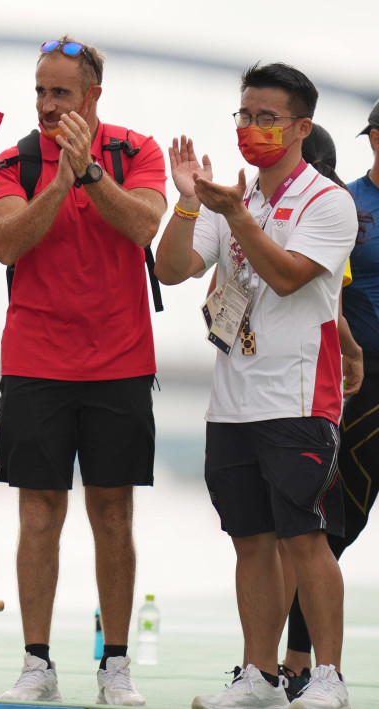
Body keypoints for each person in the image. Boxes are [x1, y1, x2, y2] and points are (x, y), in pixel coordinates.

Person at [153, 62, 357, 709]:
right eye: (243, 115)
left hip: (298, 398)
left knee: (305, 535)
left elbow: (289, 274)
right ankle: (259, 676)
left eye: (265, 118)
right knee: (249, 539)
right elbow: (172, 265)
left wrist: (234, 212)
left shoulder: (328, 200)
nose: (250, 128)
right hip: (232, 400)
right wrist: (189, 201)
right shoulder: (234, 196)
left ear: (301, 126)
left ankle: (327, 675)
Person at [0, 35, 166, 706]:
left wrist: (91, 174)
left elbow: (146, 225)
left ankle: (115, 664)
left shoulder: (134, 150)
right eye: (39, 89)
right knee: (39, 514)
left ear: (92, 96)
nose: (46, 103)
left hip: (119, 360)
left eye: (60, 91)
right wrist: (58, 182)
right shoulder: (15, 159)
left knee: (114, 512)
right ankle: (37, 661)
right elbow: (4, 240)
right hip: (35, 361)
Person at [279, 109, 379, 699]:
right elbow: (325, 296)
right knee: (334, 525)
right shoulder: (346, 202)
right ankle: (297, 659)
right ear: (372, 139)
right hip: (365, 384)